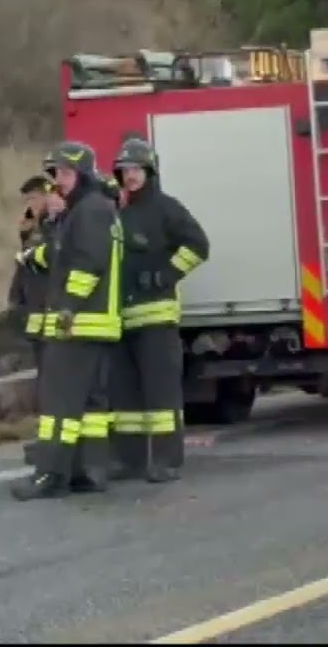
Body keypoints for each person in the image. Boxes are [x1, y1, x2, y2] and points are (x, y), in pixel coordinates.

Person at [11, 140, 124, 501]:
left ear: (82, 174)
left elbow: (88, 264)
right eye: (56, 173)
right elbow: (65, 254)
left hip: (77, 323)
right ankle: (89, 471)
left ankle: (50, 475)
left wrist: (67, 307)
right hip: (95, 325)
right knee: (90, 406)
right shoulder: (92, 210)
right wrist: (35, 254)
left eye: (63, 173)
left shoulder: (89, 212)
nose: (57, 180)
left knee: (58, 402)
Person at [109, 137, 209, 483]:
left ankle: (167, 461)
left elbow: (199, 245)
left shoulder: (166, 208)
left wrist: (167, 273)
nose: (130, 176)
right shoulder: (115, 212)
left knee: (161, 395)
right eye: (125, 170)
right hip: (120, 320)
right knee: (126, 397)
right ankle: (130, 460)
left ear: (149, 171)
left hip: (157, 319)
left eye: (136, 169)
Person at [12, 167, 65, 468]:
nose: (30, 203)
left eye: (34, 197)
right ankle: (46, 438)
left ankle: (52, 441)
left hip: (51, 315)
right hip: (36, 316)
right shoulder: (34, 229)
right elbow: (23, 269)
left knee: (53, 383)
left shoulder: (55, 227)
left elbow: (46, 266)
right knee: (44, 382)